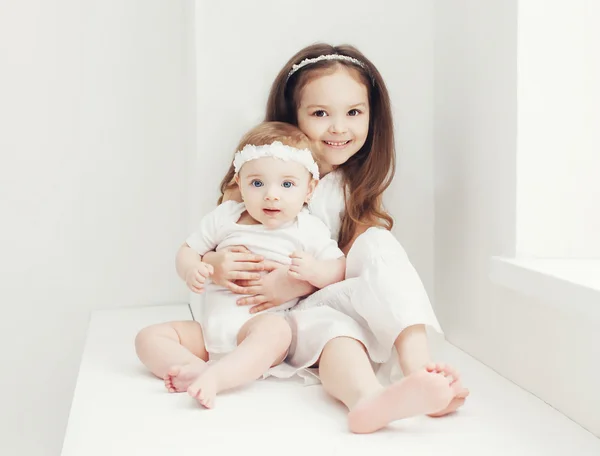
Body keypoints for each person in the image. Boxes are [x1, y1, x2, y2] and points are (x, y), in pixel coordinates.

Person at [203, 43, 469, 434]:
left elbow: (359, 266)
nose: (339, 127)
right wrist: (213, 264)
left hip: (318, 298)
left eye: (354, 112)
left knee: (375, 246)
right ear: (293, 116)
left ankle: (416, 373)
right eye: (320, 113)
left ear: (372, 118)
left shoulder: (352, 185)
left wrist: (298, 280)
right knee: (332, 330)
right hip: (262, 317)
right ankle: (373, 396)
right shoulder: (260, 172)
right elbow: (215, 239)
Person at [135, 121, 347, 409]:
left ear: (309, 190)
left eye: (287, 184)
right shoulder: (225, 218)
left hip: (255, 328)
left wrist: (315, 271)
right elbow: (187, 250)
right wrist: (190, 268)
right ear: (240, 182)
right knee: (148, 338)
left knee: (278, 331)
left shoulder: (307, 229)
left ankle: (218, 379)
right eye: (257, 183)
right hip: (209, 333)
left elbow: (340, 267)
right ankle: (196, 368)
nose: (272, 195)